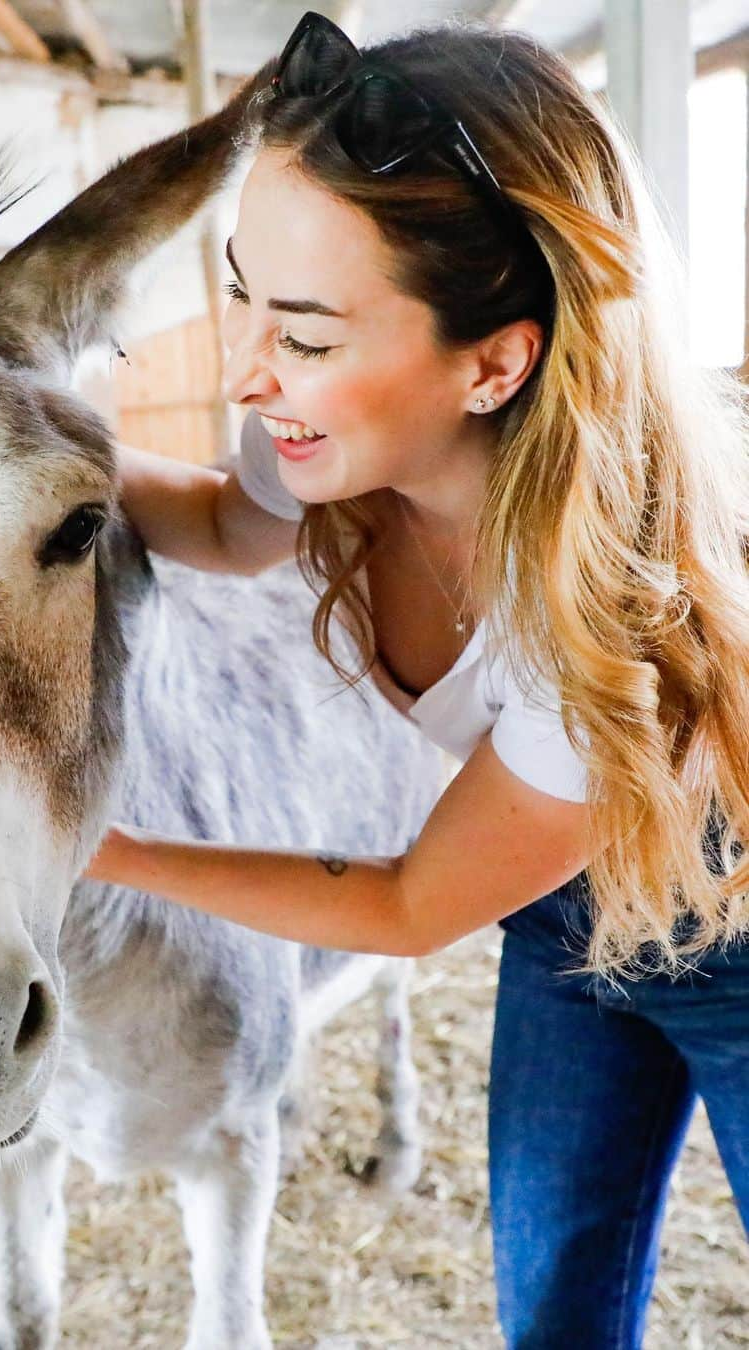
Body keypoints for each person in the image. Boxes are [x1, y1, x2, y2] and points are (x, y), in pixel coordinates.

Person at [88, 12, 749, 1347]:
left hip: (729, 915)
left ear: (494, 361)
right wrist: (28, 448)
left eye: (310, 334)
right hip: (564, 909)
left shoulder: (594, 630)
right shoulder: (314, 445)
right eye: (244, 297)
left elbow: (402, 904)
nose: (246, 367)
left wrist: (103, 848)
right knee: (554, 1294)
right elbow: (221, 523)